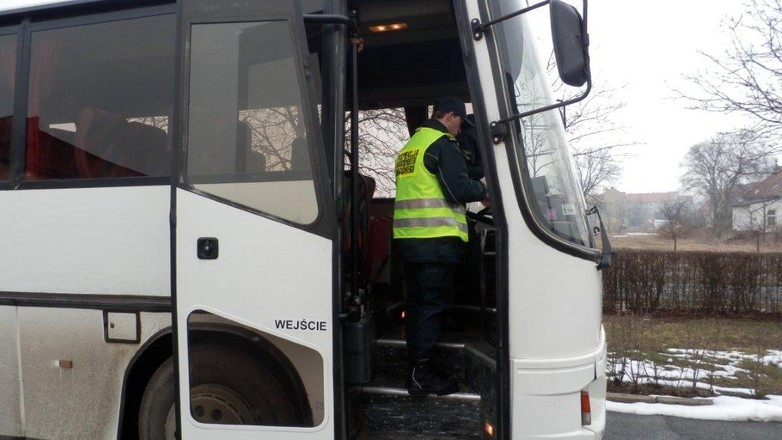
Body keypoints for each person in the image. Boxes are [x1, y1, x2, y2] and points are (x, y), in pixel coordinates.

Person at [393, 95, 489, 396]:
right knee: (431, 307)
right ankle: (421, 375)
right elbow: (457, 189)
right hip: (435, 241)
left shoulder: (411, 146)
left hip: (410, 241)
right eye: (461, 123)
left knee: (419, 305)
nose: (461, 130)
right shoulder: (442, 144)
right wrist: (485, 192)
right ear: (450, 116)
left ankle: (418, 368)